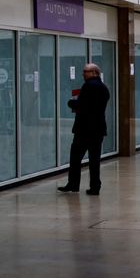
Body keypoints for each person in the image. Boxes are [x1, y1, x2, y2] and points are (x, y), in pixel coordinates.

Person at [58, 63, 110, 195]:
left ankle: (73, 184)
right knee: (94, 159)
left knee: (75, 157)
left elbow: (83, 105)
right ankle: (95, 186)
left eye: (86, 72)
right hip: (98, 128)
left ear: (94, 73)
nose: (83, 74)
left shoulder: (88, 86)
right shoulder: (104, 88)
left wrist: (71, 102)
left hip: (85, 129)